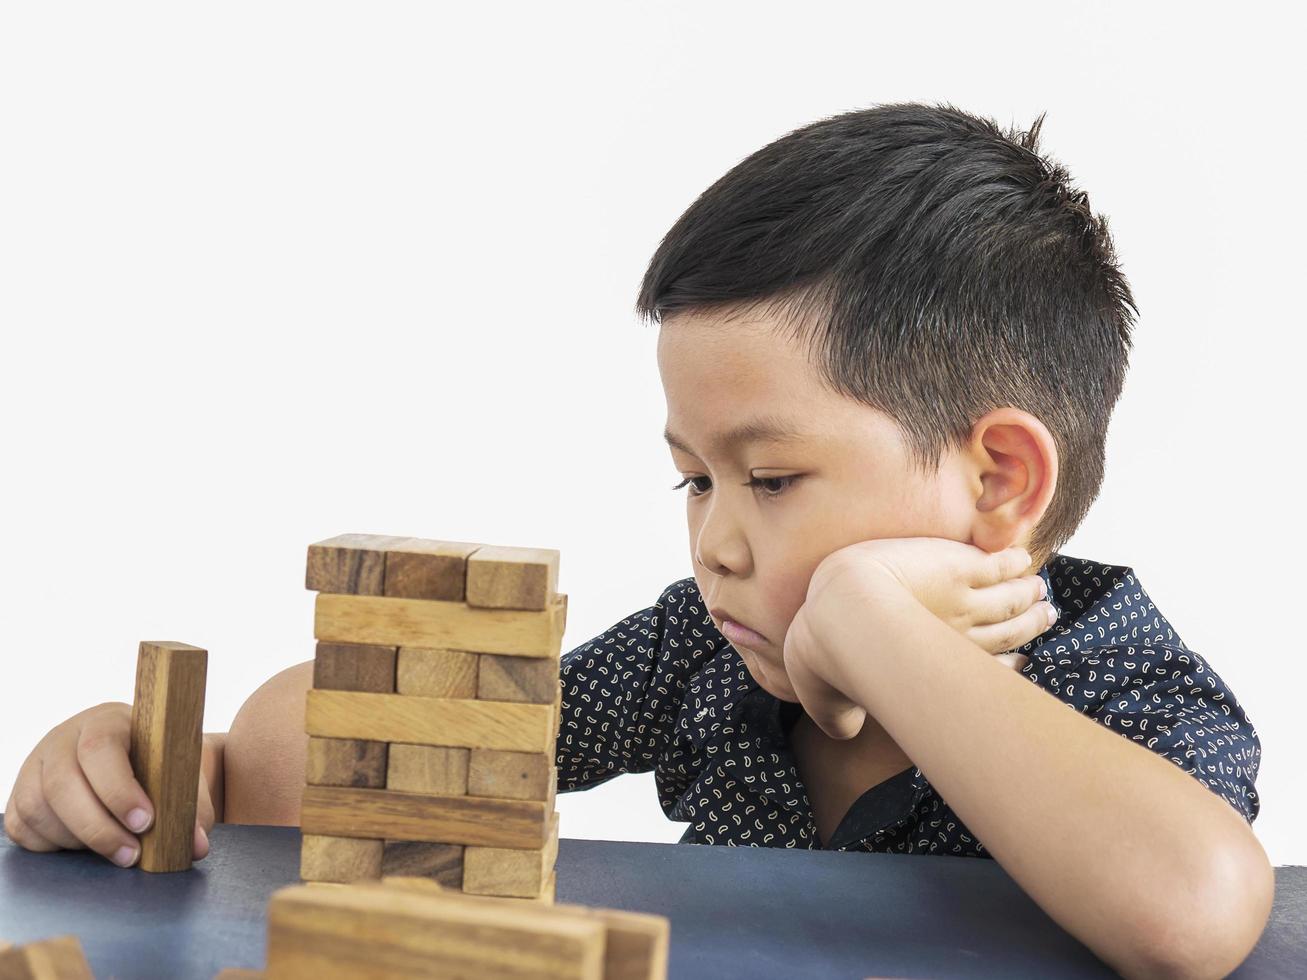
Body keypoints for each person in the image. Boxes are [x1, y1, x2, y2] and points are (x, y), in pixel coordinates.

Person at [4, 102, 1273, 977]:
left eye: (769, 478)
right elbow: (361, 759)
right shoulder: (704, 650)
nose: (714, 541)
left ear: (998, 477)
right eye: (691, 479)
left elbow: (1194, 913)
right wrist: (173, 771)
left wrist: (876, 629)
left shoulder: (1114, 675)